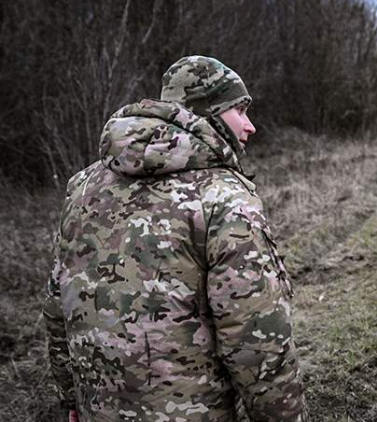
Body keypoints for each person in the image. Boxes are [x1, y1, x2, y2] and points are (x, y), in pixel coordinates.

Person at [42, 56, 307, 422]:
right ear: (208, 111)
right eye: (240, 110)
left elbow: (59, 304)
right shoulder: (223, 198)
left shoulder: (83, 186)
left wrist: (70, 397)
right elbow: (256, 338)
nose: (250, 126)